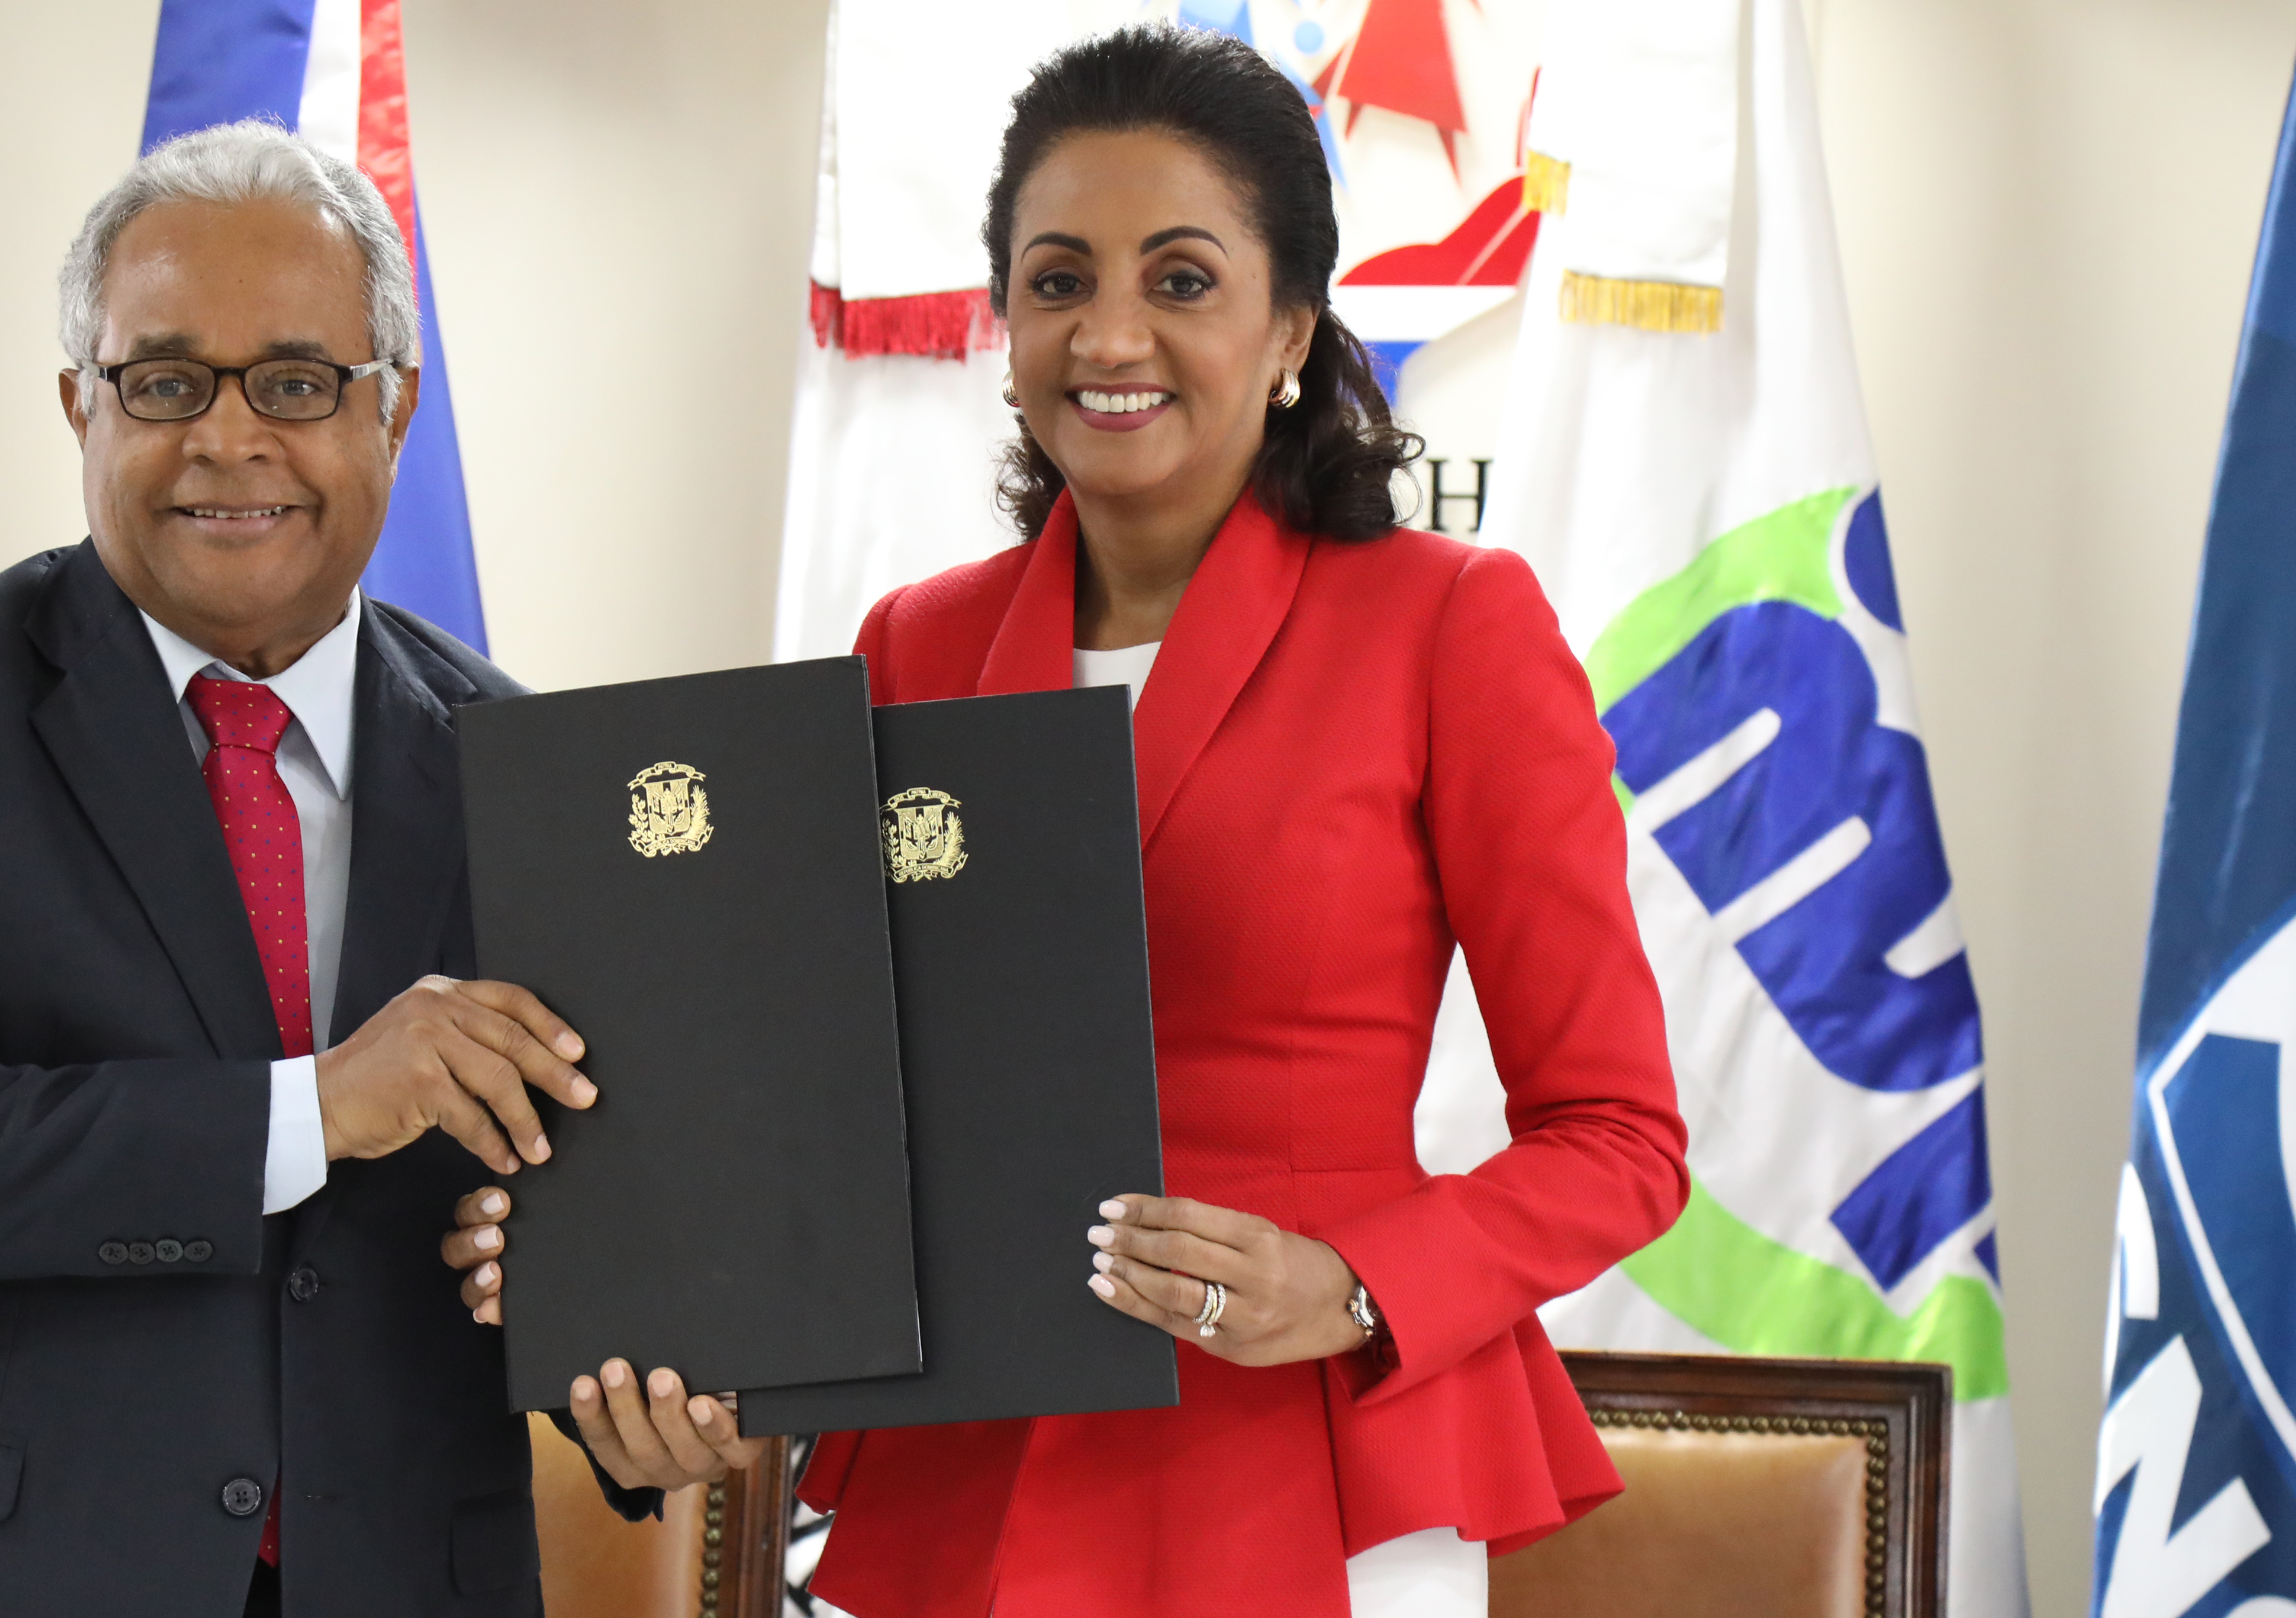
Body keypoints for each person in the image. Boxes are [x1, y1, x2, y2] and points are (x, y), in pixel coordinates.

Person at [447, 25, 1688, 1618]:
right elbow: (823, 1101)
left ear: (1293, 326)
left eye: (1182, 279)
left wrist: (1352, 1285)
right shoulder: (915, 642)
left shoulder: (1450, 624)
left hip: (1302, 1467)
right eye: (1057, 280)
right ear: (1006, 321)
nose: (1109, 333)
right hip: (973, 1466)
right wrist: (648, 1293)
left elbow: (1618, 1140)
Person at [0, 120, 749, 1618]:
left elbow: (604, 1207)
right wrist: (317, 1106)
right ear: (79, 405)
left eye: (295, 382)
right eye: (164, 382)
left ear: (394, 410)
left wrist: (647, 1396)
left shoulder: (532, 768)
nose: (229, 439)